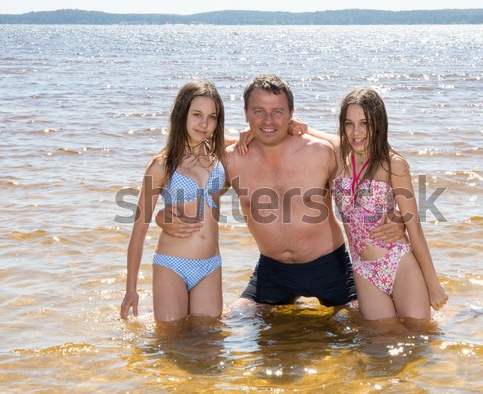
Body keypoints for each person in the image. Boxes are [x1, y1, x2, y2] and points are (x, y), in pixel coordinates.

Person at [156, 74, 404, 309]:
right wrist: (162, 216)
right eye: (259, 112)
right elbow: (193, 172)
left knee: (365, 322)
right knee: (236, 319)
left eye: (277, 113)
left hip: (329, 265)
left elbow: (370, 160)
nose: (268, 121)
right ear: (245, 114)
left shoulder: (321, 151)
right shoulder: (232, 160)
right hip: (273, 270)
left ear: (291, 114)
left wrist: (400, 219)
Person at [307, 88, 448, 320]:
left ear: (379, 124)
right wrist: (295, 126)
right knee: (380, 341)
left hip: (398, 262)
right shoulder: (338, 156)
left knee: (418, 335)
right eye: (349, 123)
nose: (356, 132)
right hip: (363, 269)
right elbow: (315, 135)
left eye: (365, 123)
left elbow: (415, 228)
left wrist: (433, 284)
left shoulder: (393, 165)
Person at [120, 80, 228, 322]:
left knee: (209, 342)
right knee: (171, 343)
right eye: (197, 114)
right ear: (182, 114)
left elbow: (252, 137)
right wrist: (131, 289)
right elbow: (139, 229)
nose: (204, 123)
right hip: (172, 265)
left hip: (210, 265)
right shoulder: (162, 165)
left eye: (212, 117)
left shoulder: (218, 157)